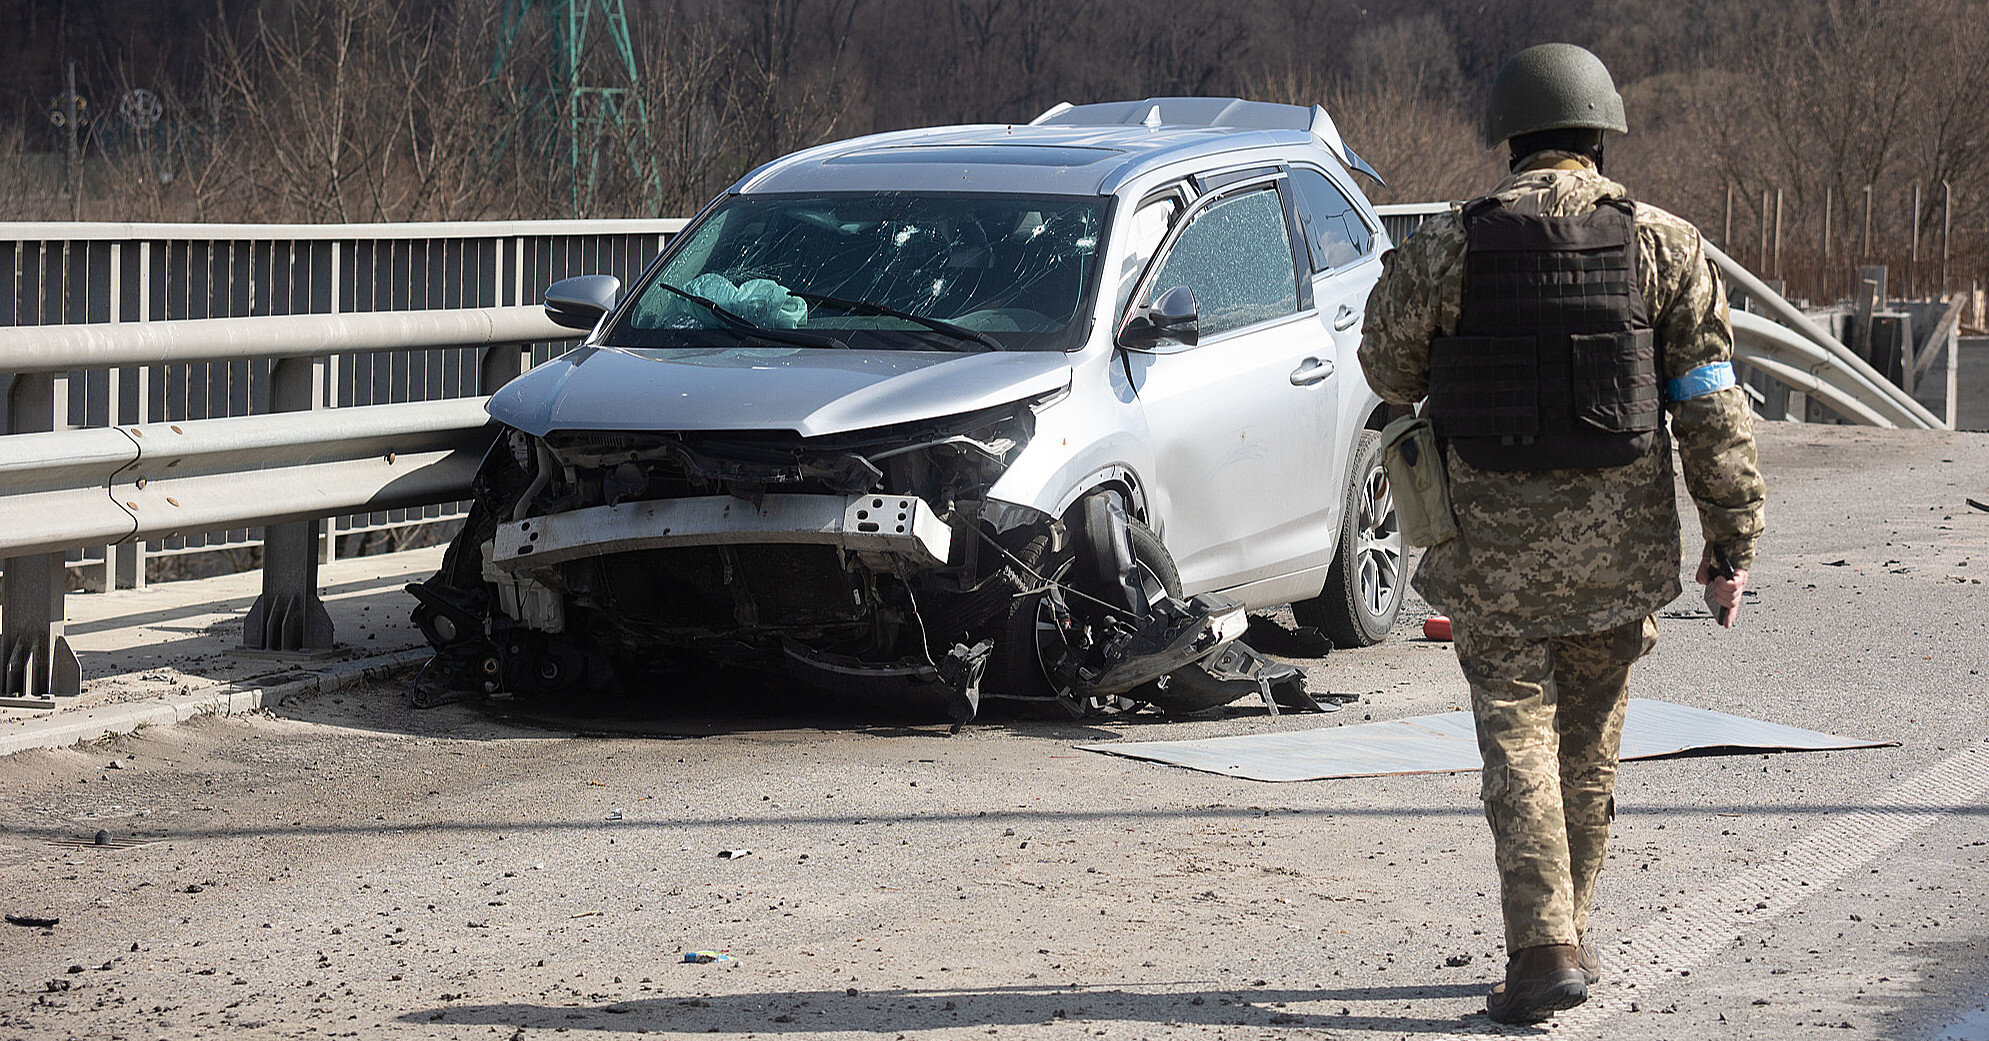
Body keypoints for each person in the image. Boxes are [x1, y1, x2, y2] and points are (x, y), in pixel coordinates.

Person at [1357, 43, 1766, 1024]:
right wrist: (1732, 540)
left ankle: (1544, 951)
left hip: (1490, 560)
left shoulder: (1449, 246)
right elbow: (1711, 403)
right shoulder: (1664, 244)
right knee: (1584, 756)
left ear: (1511, 136)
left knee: (1519, 752)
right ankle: (1560, 941)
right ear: (1599, 132)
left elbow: (1385, 369)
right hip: (1617, 559)